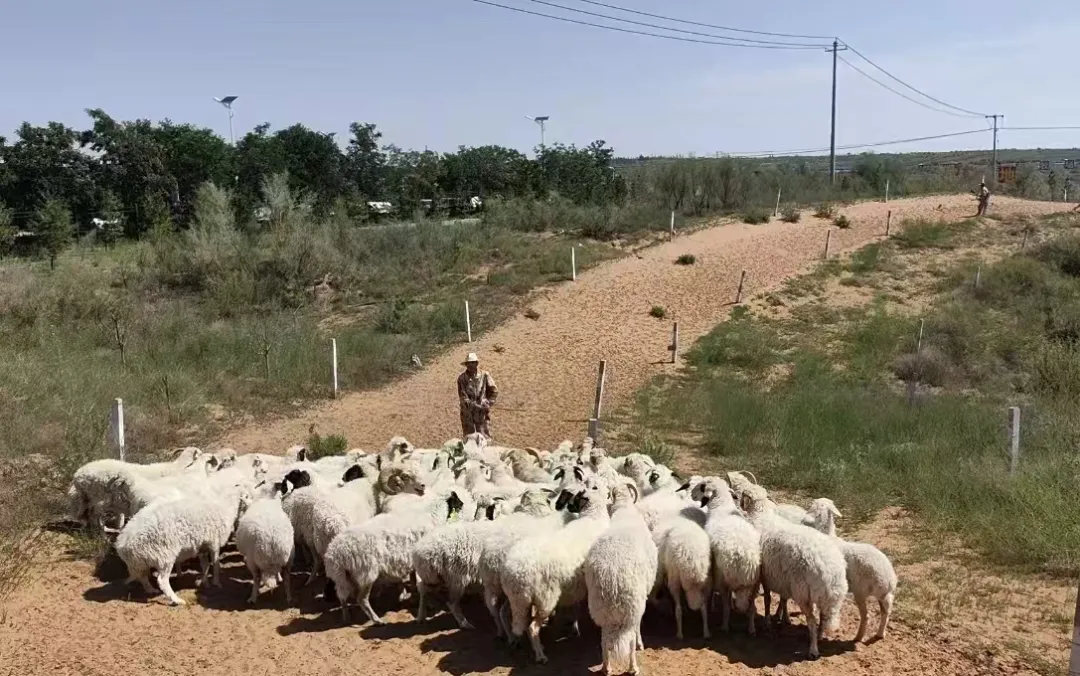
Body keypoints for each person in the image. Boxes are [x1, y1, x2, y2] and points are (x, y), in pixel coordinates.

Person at [457, 352, 498, 439]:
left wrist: (488, 403)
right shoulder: (462, 378)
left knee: (485, 437)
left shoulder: (485, 375)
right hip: (467, 413)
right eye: (468, 363)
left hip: (482, 413)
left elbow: (494, 391)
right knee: (469, 438)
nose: (470, 365)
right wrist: (472, 404)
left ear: (476, 363)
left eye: (472, 363)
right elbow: (462, 396)